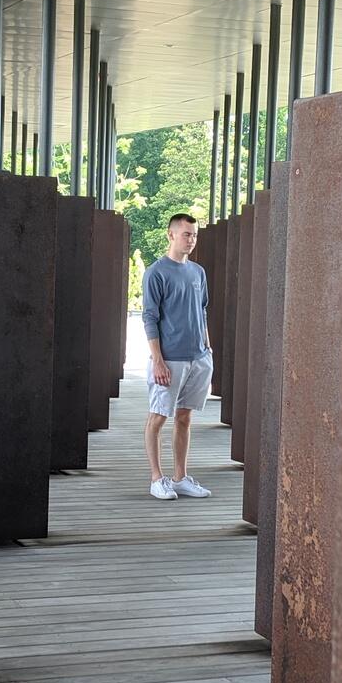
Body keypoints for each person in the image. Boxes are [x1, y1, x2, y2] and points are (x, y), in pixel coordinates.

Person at [141, 212, 214, 501]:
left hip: (198, 358)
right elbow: (149, 318)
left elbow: (202, 310)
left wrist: (207, 348)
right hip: (169, 359)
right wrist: (158, 360)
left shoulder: (198, 272)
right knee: (158, 417)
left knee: (184, 417)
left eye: (194, 235)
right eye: (186, 234)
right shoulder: (156, 273)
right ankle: (156, 479)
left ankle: (180, 478)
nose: (191, 240)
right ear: (171, 235)